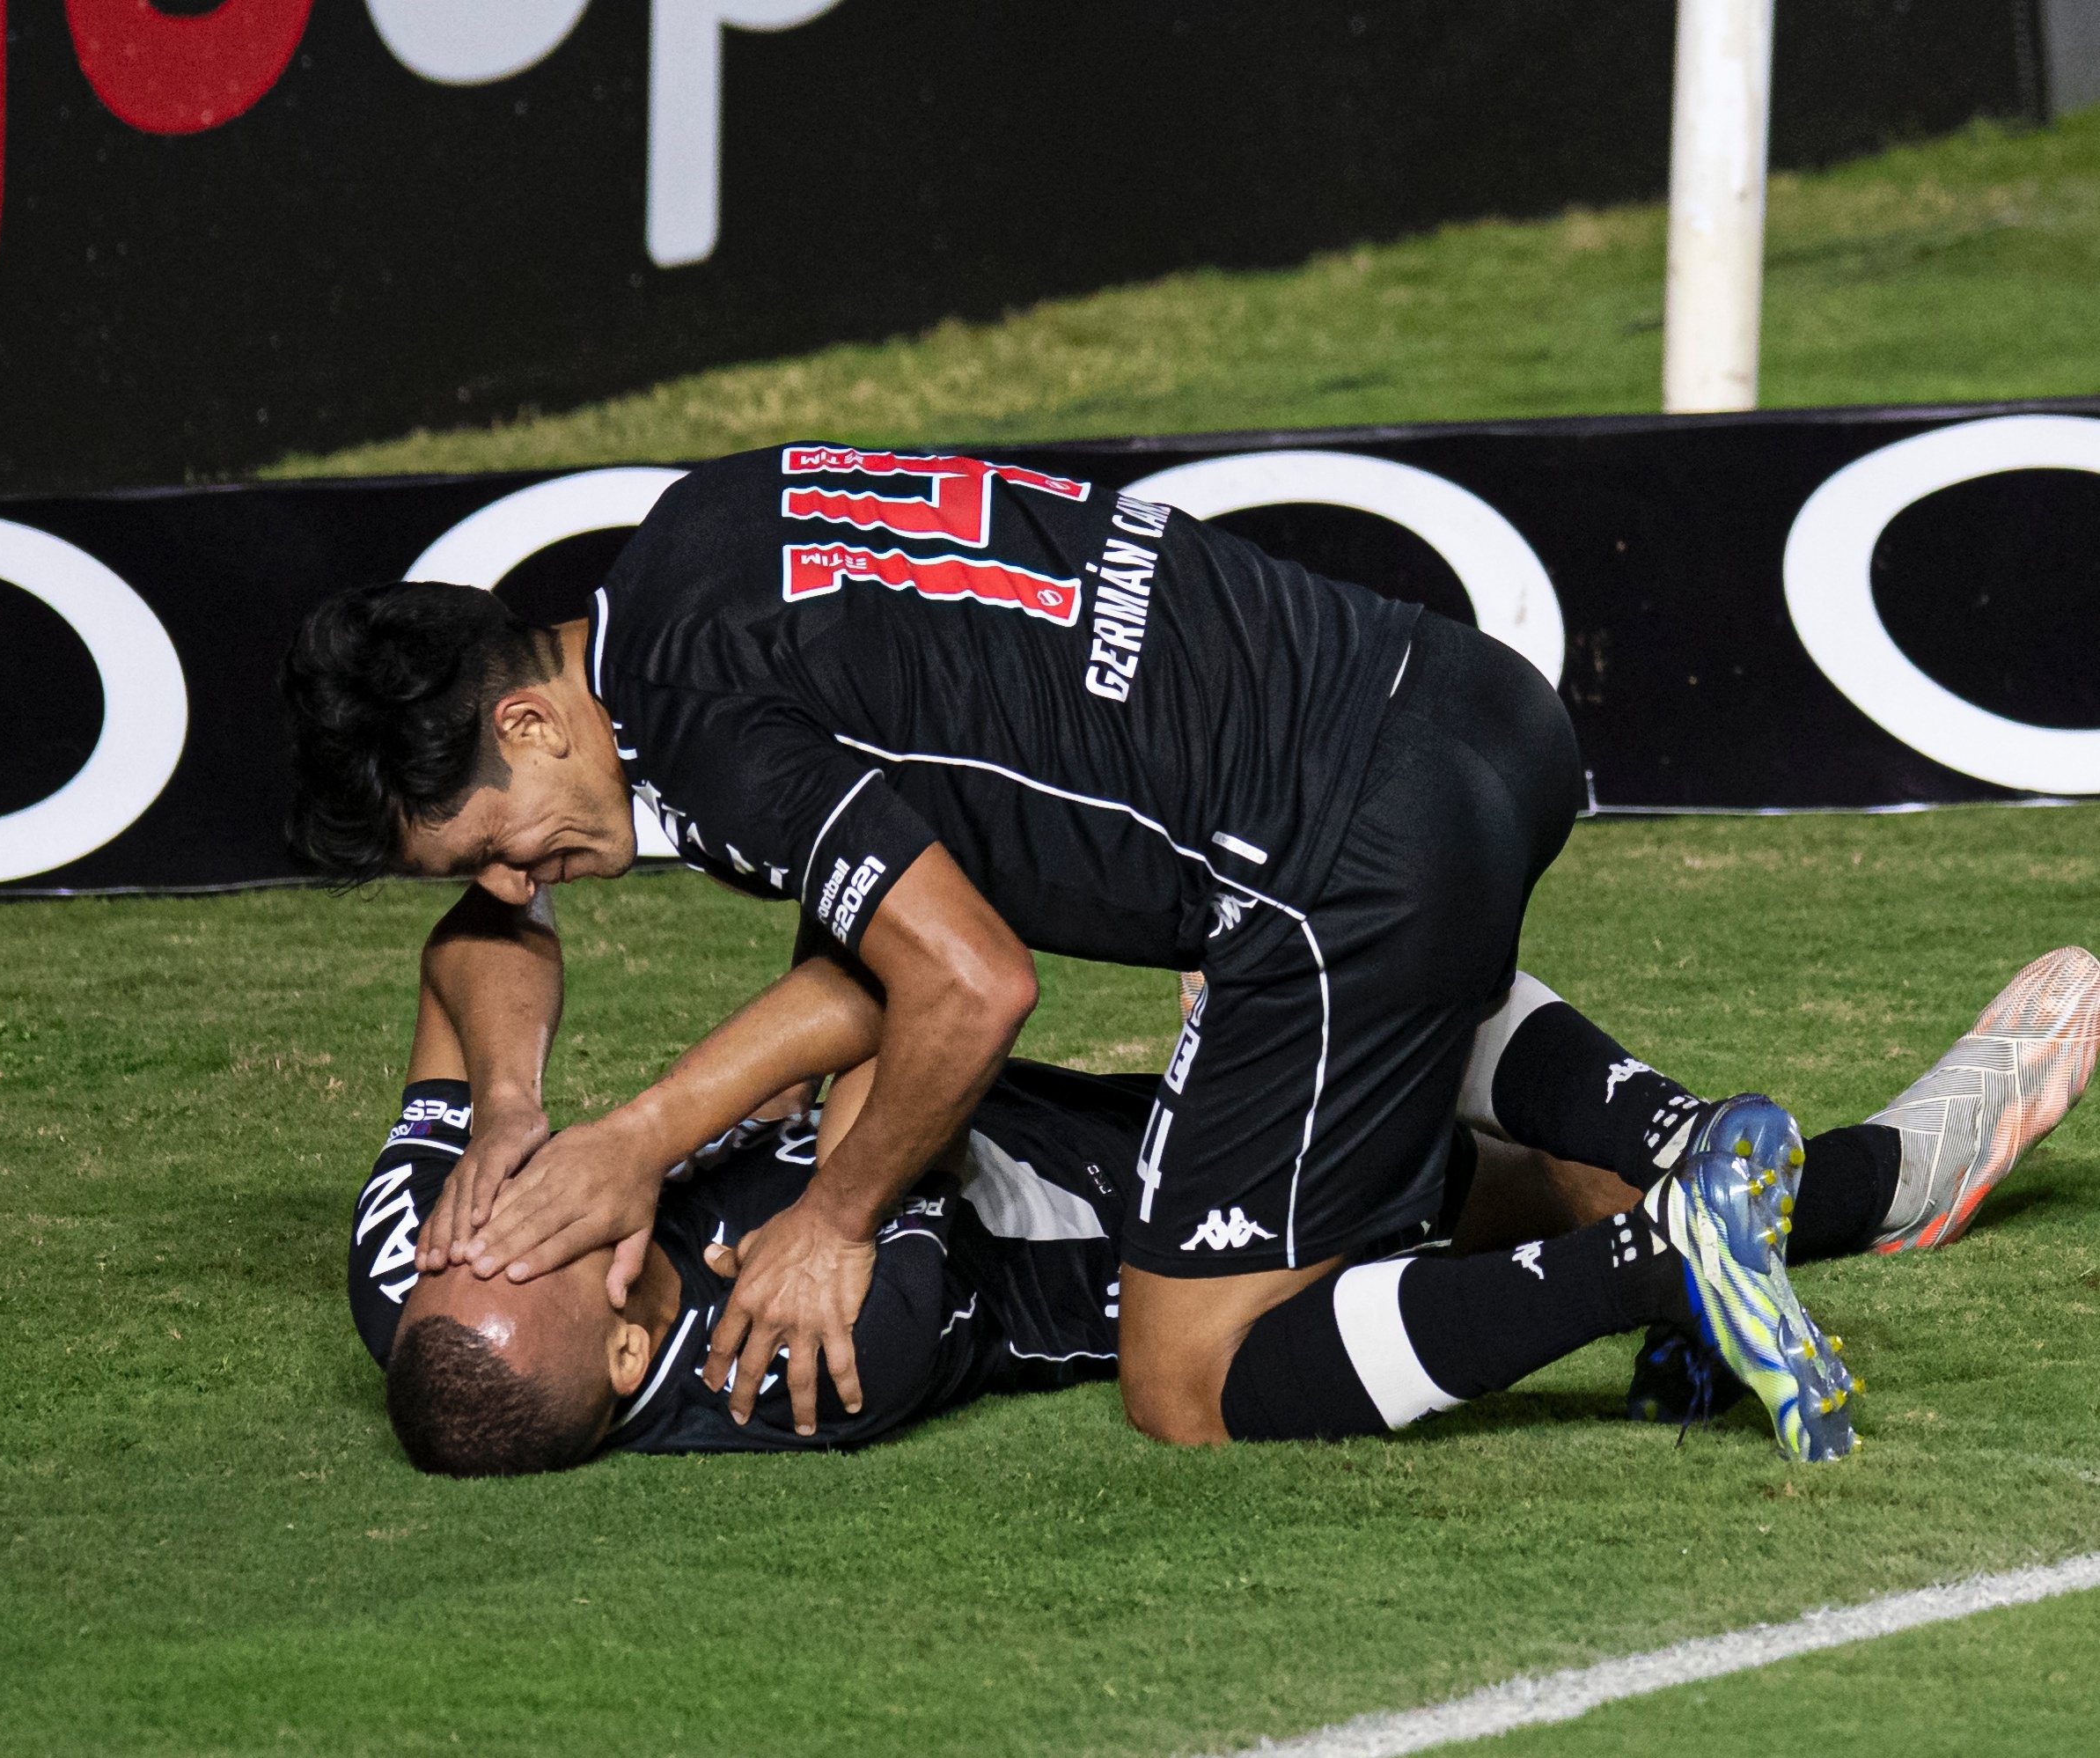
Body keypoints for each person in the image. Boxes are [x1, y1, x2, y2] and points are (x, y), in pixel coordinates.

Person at [276, 440, 2055, 1461]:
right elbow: (884, 949)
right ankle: (1785, 1173)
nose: (530, 885)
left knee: (1190, 1372)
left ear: (526, 723)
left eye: (505, 846)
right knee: (1364, 1080)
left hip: (1332, 861)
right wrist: (597, 1120)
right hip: (1454, 704)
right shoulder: (698, 538)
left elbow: (966, 983)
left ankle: (1665, 1240)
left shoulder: (706, 735)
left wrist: (821, 1216)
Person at [349, 926, 2100, 1472]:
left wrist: (504, 1109)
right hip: (1212, 1243)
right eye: (557, 1242)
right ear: (643, 1321)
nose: (519, 1217)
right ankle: (1844, 1185)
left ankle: (1777, 1196)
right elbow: (914, 1012)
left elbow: (474, 954)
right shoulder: (810, 1362)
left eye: (486, 1233)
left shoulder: (444, 1285)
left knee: (1523, 1171)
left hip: (1189, 1163)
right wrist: (660, 1132)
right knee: (1333, 947)